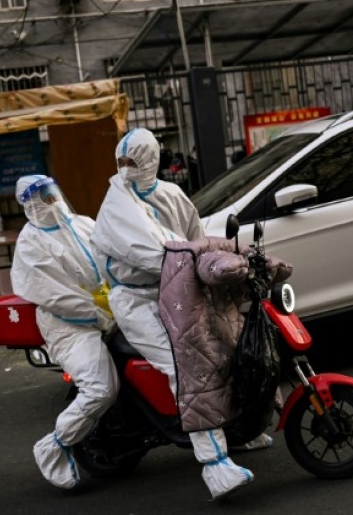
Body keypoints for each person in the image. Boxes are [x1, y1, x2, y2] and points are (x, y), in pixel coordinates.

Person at [91, 127, 270, 500]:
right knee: (186, 363)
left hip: (182, 288)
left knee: (225, 349)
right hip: (138, 301)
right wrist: (199, 260)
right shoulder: (116, 207)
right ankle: (215, 464)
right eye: (122, 161)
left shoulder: (171, 194)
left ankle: (237, 432)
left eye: (135, 161)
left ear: (152, 160)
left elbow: (195, 237)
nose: (127, 169)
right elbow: (158, 254)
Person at [10, 175, 118, 490]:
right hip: (70, 328)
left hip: (111, 312)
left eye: (53, 193)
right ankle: (55, 444)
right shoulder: (31, 244)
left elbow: (113, 256)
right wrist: (97, 314)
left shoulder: (81, 223)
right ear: (29, 204)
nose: (51, 202)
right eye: (42, 197)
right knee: (101, 388)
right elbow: (57, 298)